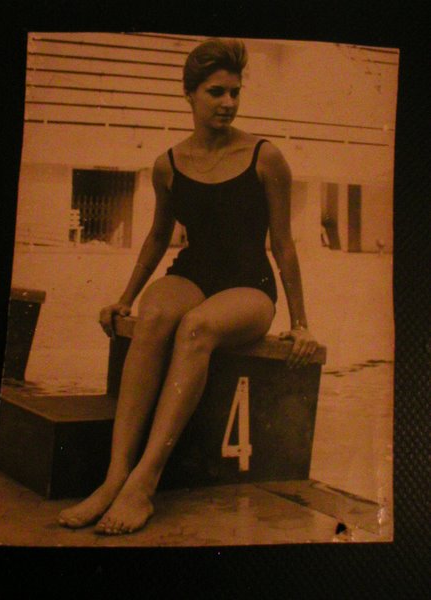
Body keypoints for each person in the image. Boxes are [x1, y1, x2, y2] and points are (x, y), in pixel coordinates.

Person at [58, 37, 318, 535]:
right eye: (216, 92)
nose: (228, 102)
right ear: (190, 95)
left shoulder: (265, 157)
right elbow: (158, 237)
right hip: (193, 272)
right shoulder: (168, 165)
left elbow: (284, 244)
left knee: (197, 328)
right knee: (155, 317)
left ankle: (144, 482)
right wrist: (125, 299)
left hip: (249, 285)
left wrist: (301, 323)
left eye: (235, 92)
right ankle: (114, 477)